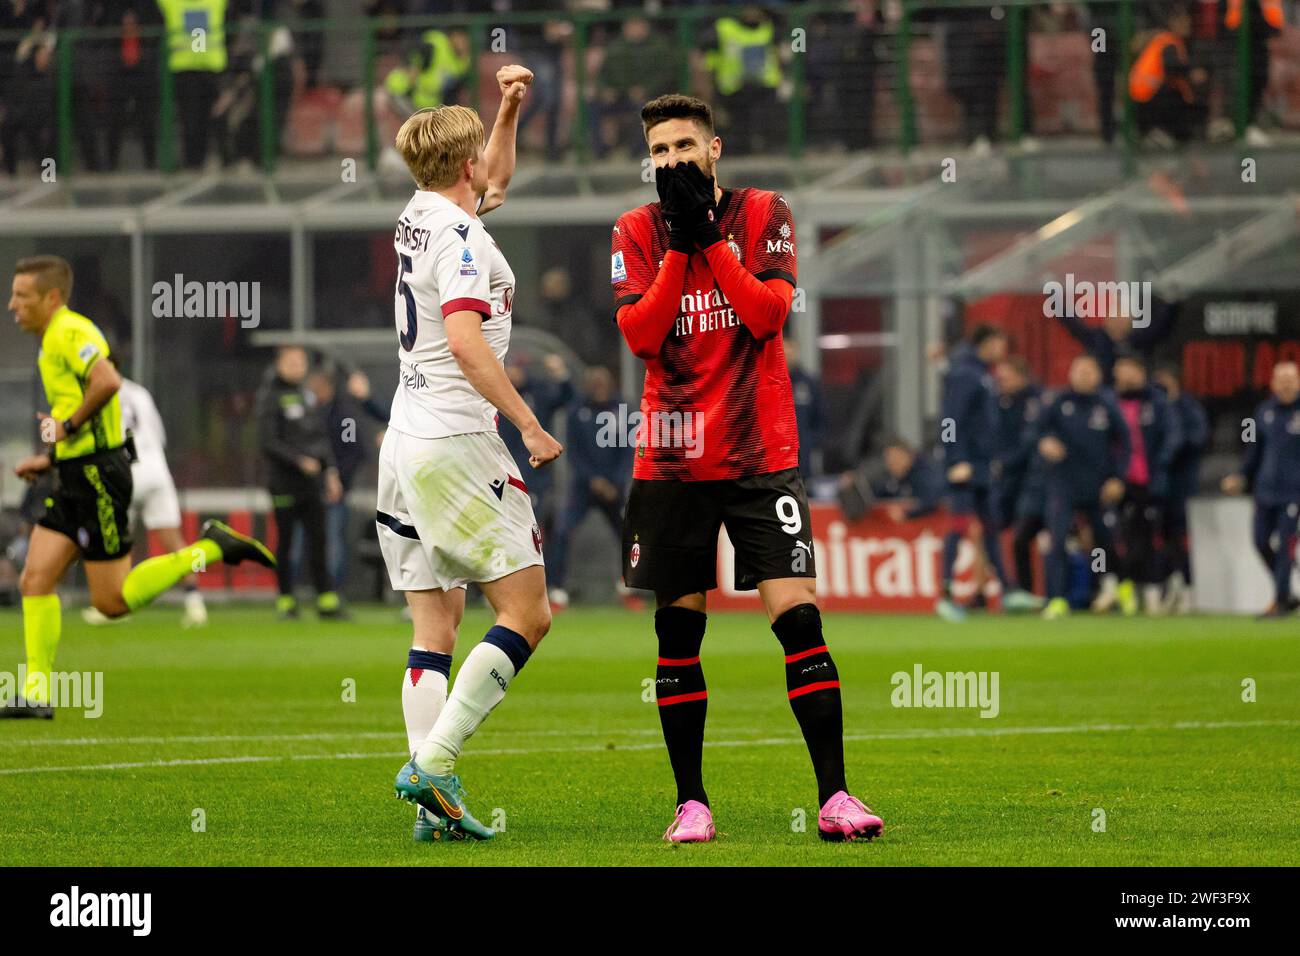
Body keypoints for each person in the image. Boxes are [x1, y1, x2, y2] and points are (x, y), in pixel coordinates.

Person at [613, 93, 883, 844]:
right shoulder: (637, 229)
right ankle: (691, 804)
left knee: (798, 615)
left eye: (683, 147)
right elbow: (640, 333)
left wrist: (714, 244)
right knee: (677, 635)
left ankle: (836, 798)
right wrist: (680, 246)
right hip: (671, 459)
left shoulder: (765, 212)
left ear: (714, 148)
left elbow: (766, 315)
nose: (671, 161)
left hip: (761, 454)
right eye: (659, 151)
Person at [384, 67, 566, 843]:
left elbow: (493, 178)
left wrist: (508, 109)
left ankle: (435, 809)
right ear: (465, 170)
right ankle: (437, 763)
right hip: (459, 439)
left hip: (402, 441)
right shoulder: (459, 236)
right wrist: (526, 423)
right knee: (528, 614)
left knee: (434, 626)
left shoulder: (420, 214)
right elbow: (464, 341)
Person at [4, 256, 274, 719]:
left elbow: (106, 381)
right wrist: (47, 458)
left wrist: (64, 426)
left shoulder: (72, 333)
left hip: (98, 477)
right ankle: (36, 693)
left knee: (111, 601)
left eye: (22, 296)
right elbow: (82, 416)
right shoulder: (51, 340)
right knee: (35, 577)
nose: (13, 305)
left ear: (51, 298)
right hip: (72, 476)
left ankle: (208, 549)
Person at [82, 363, 208, 628]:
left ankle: (116, 606)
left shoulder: (96, 394)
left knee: (117, 543)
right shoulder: (139, 392)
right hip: (155, 469)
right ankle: (195, 602)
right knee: (175, 542)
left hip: (123, 472)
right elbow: (158, 435)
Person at [1037, 354, 1131, 620]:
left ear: (1098, 376)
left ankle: (1118, 585)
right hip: (1063, 483)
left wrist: (1118, 478)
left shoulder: (1106, 406)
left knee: (1105, 541)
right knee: (1057, 539)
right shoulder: (1058, 403)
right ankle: (1056, 598)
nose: (1083, 376)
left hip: (1098, 485)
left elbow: (1124, 443)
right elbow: (1036, 431)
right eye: (1078, 371)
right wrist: (1044, 442)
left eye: (1089, 372)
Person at [255, 345, 345, 620]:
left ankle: (326, 601)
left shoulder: (306, 396)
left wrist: (330, 471)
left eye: (301, 362)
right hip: (284, 483)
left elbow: (320, 438)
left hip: (312, 484)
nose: (297, 367)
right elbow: (268, 441)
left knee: (319, 540)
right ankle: (286, 601)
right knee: (286, 542)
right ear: (279, 364)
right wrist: (298, 460)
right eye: (291, 362)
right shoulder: (269, 397)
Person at [936, 324, 1011, 622]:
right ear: (988, 342)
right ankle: (946, 595)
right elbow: (950, 418)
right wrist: (956, 459)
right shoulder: (965, 373)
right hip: (966, 465)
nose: (1003, 351)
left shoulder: (982, 373)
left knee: (991, 527)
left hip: (981, 464)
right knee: (960, 526)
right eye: (1000, 343)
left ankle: (1009, 589)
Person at [546, 366, 632, 610]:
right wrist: (593, 479)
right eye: (593, 382)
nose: (598, 386)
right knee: (563, 532)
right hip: (583, 487)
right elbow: (573, 452)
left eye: (602, 382)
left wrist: (615, 481)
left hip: (614, 488)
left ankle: (628, 588)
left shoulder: (623, 410)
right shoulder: (577, 411)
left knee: (629, 534)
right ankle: (558, 591)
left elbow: (629, 450)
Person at [1102, 355, 1181, 616]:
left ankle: (1152, 592)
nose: (1122, 376)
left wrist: (1160, 466)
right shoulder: (1108, 402)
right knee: (1114, 538)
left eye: (1127, 370)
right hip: (1117, 482)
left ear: (1139, 371)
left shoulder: (1157, 402)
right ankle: (1117, 588)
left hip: (1148, 483)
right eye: (1118, 371)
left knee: (1148, 539)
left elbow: (1173, 436)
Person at [1221, 361, 1300, 618]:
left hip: (1293, 492)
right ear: (1274, 383)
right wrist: (1241, 476)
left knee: (1286, 545)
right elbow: (1252, 451)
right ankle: (1285, 588)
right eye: (1282, 379)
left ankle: (1279, 600)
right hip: (1265, 491)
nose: (1287, 383)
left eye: (1291, 378)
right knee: (1259, 541)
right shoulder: (1262, 412)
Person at [306, 365, 389, 593]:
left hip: (335, 487)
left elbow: (353, 449)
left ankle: (333, 592)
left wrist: (340, 479)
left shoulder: (343, 412)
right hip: (313, 488)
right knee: (318, 540)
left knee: (333, 541)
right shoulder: (318, 412)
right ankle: (322, 591)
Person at [992, 356, 1046, 610]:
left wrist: (1001, 464)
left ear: (1022, 376)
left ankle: (1034, 592)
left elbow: (1028, 442)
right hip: (1008, 481)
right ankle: (990, 592)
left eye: (1006, 377)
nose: (1000, 382)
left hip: (1036, 483)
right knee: (986, 532)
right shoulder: (999, 402)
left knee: (1026, 537)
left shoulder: (1036, 402)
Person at [1154, 363, 1208, 613]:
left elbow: (1199, 438)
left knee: (1181, 537)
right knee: (1161, 537)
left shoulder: (1188, 407)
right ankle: (1168, 587)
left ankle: (1188, 588)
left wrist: (1174, 446)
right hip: (1157, 484)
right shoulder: (1155, 407)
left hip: (1182, 483)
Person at [156, 0, 228, 169]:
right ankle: (194, 162)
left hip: (208, 69)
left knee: (207, 118)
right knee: (191, 120)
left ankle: (210, 160)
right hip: (188, 70)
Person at [1129, 4, 1209, 146]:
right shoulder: (1169, 43)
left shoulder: (1162, 40)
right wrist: (1192, 73)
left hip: (1140, 100)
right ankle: (1160, 131)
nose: (1187, 25)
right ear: (1173, 23)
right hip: (1148, 99)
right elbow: (1171, 68)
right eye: (1183, 21)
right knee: (1177, 96)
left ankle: (1157, 131)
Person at [872, 438, 943, 522]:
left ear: (909, 456)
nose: (893, 464)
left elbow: (931, 500)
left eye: (897, 459)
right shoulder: (888, 477)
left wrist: (908, 514)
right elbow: (877, 499)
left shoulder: (924, 474)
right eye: (889, 461)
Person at [786, 338, 826, 481]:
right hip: (775, 464)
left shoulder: (809, 383)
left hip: (803, 465)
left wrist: (808, 442)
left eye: (792, 349)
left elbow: (821, 420)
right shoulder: (768, 381)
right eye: (785, 349)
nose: (788, 354)